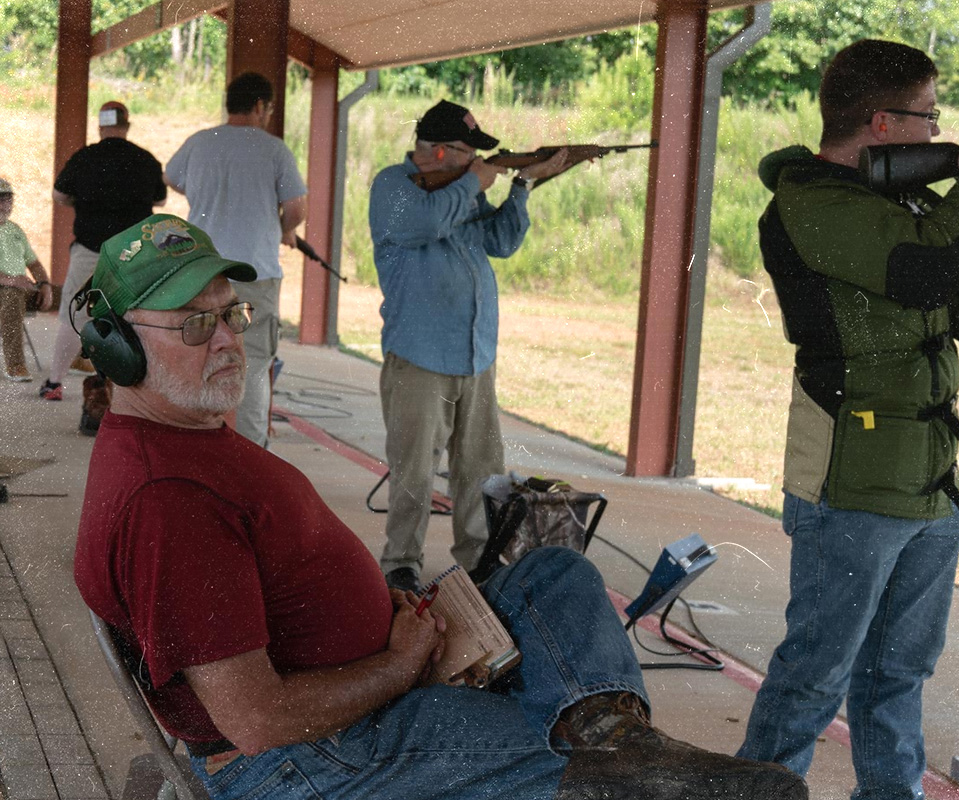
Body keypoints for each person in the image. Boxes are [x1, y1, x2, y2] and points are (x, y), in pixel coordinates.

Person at [73, 213, 807, 800]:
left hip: (368, 687)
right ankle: (614, 772)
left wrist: (388, 618)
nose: (230, 339)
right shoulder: (168, 501)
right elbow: (258, 721)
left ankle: (621, 752)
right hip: (309, 760)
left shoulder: (184, 434)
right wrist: (399, 665)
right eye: (196, 325)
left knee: (553, 573)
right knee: (540, 738)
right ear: (118, 349)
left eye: (229, 313)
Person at [736, 39, 959, 800]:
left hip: (926, 484)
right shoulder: (811, 202)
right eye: (930, 117)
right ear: (884, 122)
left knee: (899, 677)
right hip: (850, 481)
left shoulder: (907, 202)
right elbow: (930, 268)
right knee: (814, 678)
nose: (939, 133)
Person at [369, 100, 568, 593]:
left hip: (475, 354)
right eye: (466, 153)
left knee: (480, 469)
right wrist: (474, 183)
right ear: (439, 152)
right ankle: (401, 563)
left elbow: (500, 242)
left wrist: (521, 185)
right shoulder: (393, 188)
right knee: (414, 469)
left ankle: (480, 561)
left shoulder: (460, 190)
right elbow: (424, 225)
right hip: (420, 356)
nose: (476, 163)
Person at [165, 71, 307, 449]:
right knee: (253, 364)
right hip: (255, 273)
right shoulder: (274, 149)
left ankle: (193, 444)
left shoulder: (199, 142)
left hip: (199, 271)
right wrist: (281, 228)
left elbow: (172, 177)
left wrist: (206, 194)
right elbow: (296, 207)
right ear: (260, 106)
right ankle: (249, 456)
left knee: (195, 357)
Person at [43, 100, 167, 403]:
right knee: (135, 316)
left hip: (90, 249)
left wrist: (83, 203)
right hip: (133, 254)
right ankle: (136, 385)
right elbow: (161, 201)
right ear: (126, 126)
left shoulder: (84, 157)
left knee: (73, 314)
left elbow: (59, 194)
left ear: (100, 126)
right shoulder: (145, 159)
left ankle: (54, 383)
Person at [0, 177, 52, 381]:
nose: (6, 204)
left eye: (9, 199)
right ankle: (15, 366)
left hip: (23, 289)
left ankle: (79, 357)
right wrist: (12, 280)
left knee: (72, 295)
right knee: (12, 297)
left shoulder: (15, 230)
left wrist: (45, 285)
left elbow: (35, 264)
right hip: (7, 290)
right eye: (2, 199)